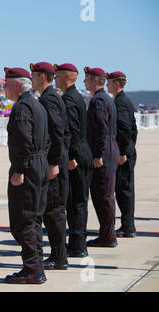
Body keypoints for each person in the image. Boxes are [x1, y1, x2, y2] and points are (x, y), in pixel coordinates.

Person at [4, 67, 50, 284]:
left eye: (6, 83)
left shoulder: (22, 107)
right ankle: (35, 266)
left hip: (28, 166)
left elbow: (23, 141)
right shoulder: (37, 105)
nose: (4, 87)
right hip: (39, 163)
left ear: (16, 85)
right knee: (34, 219)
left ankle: (32, 269)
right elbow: (47, 139)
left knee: (23, 220)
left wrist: (20, 170)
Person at [30, 62, 70, 270]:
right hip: (54, 158)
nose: (32, 79)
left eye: (34, 75)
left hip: (53, 160)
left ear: (43, 77)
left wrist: (54, 162)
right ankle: (58, 255)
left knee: (53, 210)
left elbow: (56, 132)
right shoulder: (49, 97)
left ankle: (59, 257)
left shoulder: (49, 99)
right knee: (51, 210)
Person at [55, 63, 93, 257]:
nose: (54, 78)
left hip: (76, 153)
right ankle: (78, 242)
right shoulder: (74, 96)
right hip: (81, 150)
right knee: (78, 200)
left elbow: (69, 130)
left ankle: (77, 245)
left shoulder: (69, 99)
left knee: (75, 201)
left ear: (65, 77)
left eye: (57, 75)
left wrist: (70, 157)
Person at [85, 67, 120, 247]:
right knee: (104, 194)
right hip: (109, 147)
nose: (84, 82)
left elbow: (101, 128)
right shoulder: (107, 98)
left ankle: (108, 236)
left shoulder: (98, 100)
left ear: (95, 81)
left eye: (87, 78)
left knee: (102, 194)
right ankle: (107, 233)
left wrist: (97, 154)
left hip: (103, 150)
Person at [107, 71, 138, 238]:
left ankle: (128, 226)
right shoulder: (121, 100)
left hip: (123, 152)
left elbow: (125, 128)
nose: (107, 84)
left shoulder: (121, 102)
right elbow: (134, 130)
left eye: (109, 82)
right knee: (123, 188)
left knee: (124, 190)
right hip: (126, 150)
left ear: (117, 83)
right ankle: (127, 225)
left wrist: (124, 151)